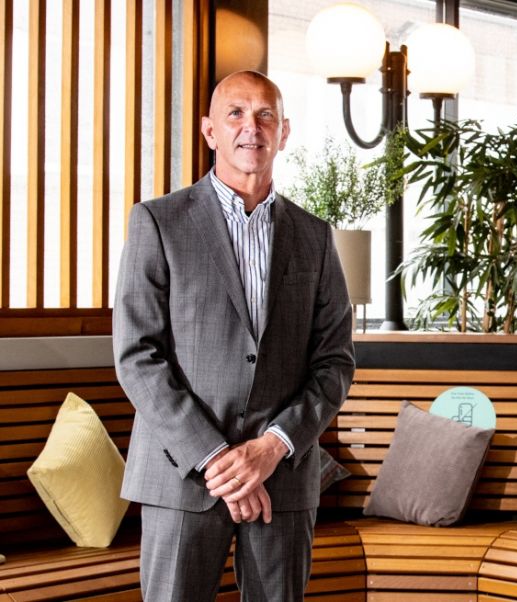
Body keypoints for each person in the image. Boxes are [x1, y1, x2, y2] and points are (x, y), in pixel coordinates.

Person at [113, 70, 355, 601]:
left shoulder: (313, 237)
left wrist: (271, 447)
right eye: (236, 114)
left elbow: (334, 362)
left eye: (266, 114)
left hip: (282, 478)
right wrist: (219, 459)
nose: (253, 127)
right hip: (183, 477)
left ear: (284, 131)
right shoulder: (158, 222)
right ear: (210, 132)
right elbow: (137, 356)